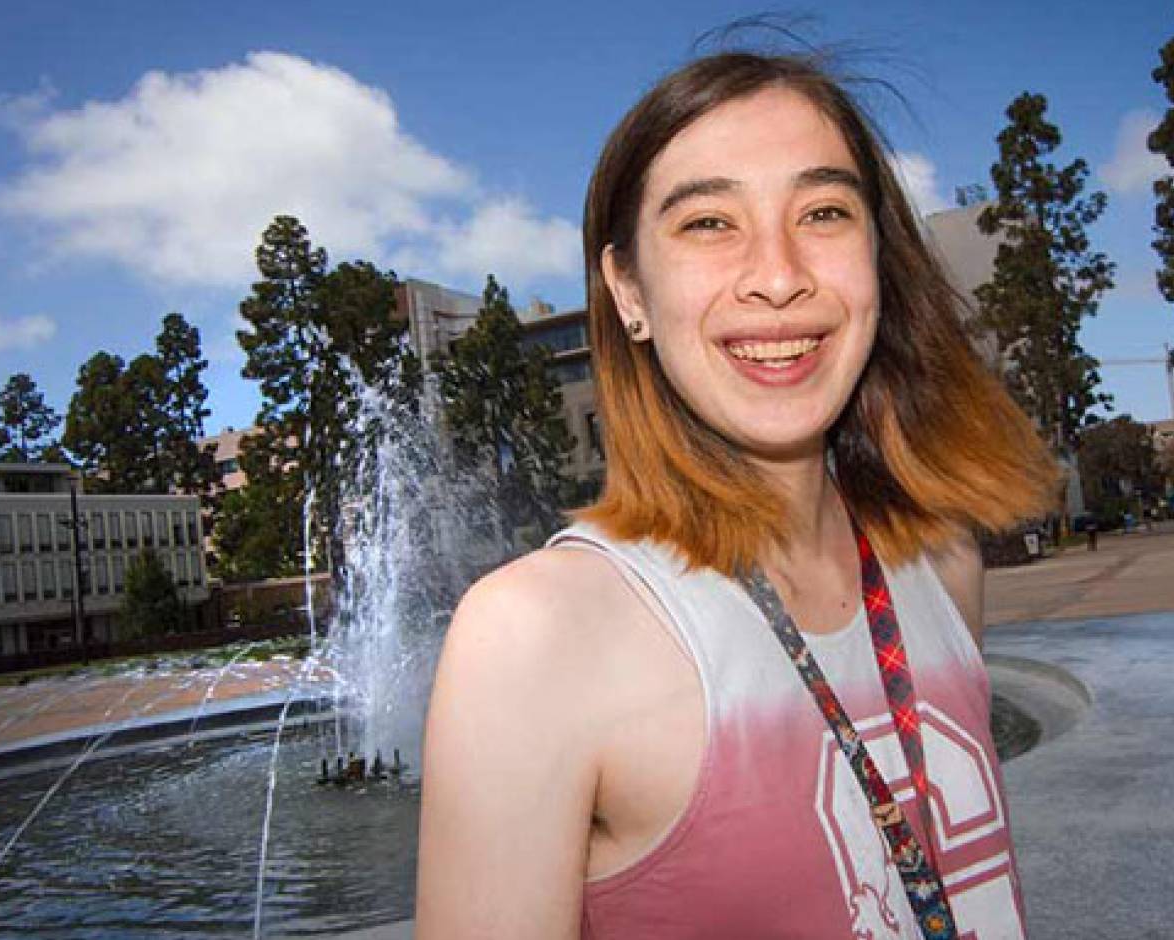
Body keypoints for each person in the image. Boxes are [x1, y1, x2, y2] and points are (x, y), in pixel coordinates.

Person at [415, 51, 1055, 940]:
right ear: (628, 291)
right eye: (710, 222)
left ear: (879, 256)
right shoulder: (534, 637)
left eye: (824, 212)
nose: (779, 272)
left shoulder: (940, 560)